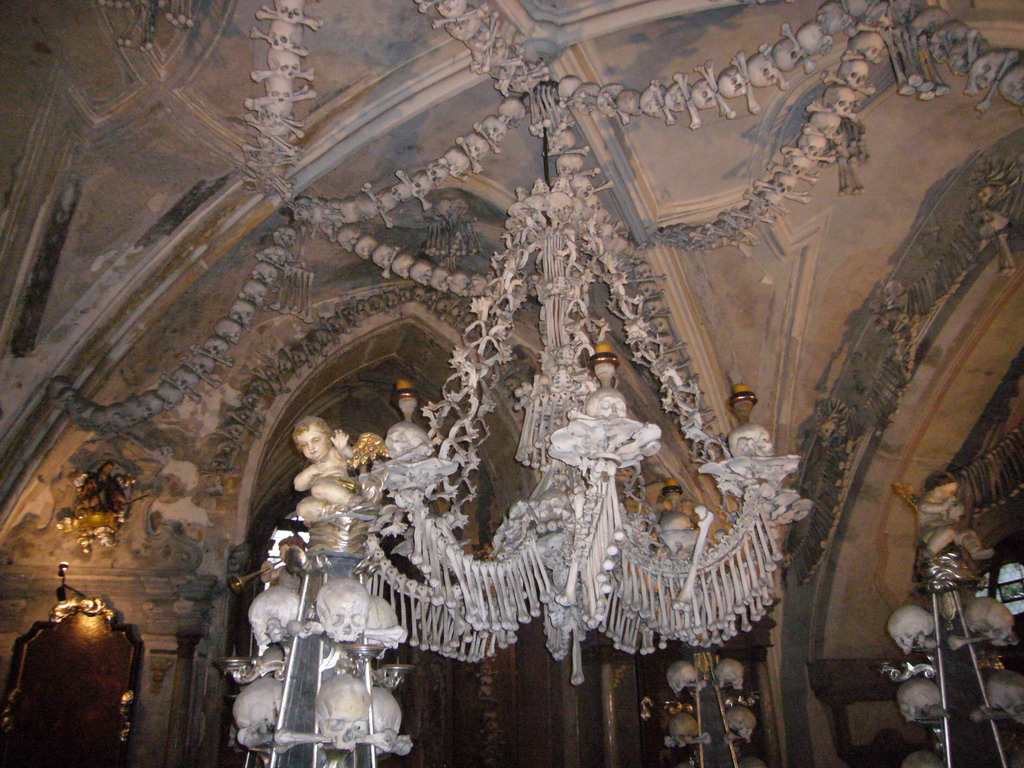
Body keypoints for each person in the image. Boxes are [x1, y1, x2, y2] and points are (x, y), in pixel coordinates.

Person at [292, 416, 360, 524]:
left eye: (315, 440)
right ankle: (329, 513)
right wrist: (310, 471)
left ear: (328, 439)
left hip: (342, 485)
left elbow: (350, 455)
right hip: (323, 497)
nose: (311, 447)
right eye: (304, 445)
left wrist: (342, 448)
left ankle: (353, 502)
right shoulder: (313, 467)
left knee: (318, 487)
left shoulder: (333, 452)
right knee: (302, 507)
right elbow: (298, 486)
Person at [917, 472, 993, 561]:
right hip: (929, 532)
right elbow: (924, 507)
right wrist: (943, 506)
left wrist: (953, 517)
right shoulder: (929, 499)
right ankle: (930, 551)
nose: (952, 495)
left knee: (967, 533)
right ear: (936, 488)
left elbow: (949, 522)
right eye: (950, 492)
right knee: (947, 531)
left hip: (943, 531)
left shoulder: (944, 502)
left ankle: (975, 552)